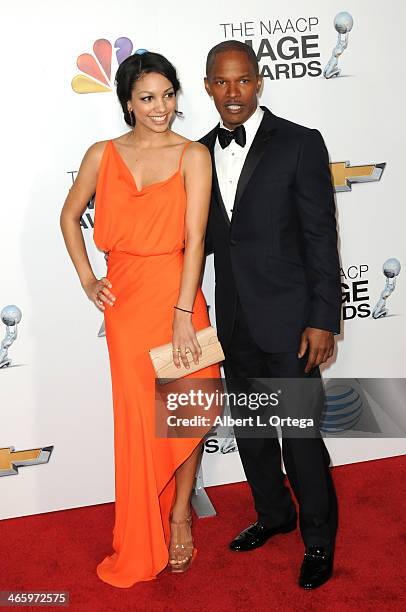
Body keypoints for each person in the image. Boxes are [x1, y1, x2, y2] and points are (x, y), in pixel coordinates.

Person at [59, 51, 221, 588]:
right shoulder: (102, 155)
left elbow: (196, 239)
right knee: (139, 419)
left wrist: (182, 313)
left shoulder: (193, 155)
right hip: (126, 304)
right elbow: (68, 214)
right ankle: (143, 529)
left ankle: (178, 513)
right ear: (127, 101)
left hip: (179, 296)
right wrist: (88, 279)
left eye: (169, 95)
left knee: (191, 402)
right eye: (148, 98)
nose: (161, 108)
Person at [200, 40, 341, 590]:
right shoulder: (195, 153)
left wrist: (323, 319)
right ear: (208, 85)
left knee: (301, 437)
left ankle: (320, 541)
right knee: (255, 434)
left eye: (243, 81)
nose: (233, 93)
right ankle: (274, 514)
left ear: (259, 82)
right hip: (234, 321)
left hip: (292, 321)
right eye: (221, 82)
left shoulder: (301, 144)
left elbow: (320, 237)